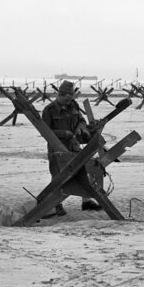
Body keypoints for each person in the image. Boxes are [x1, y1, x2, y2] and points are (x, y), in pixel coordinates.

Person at [40, 80, 102, 216]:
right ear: (60, 95)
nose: (69, 102)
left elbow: (81, 120)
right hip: (57, 149)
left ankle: (86, 201)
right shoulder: (49, 110)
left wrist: (80, 128)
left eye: (71, 99)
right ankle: (56, 205)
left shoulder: (73, 105)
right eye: (67, 99)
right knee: (58, 176)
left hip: (74, 145)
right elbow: (45, 132)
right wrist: (64, 133)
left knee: (83, 170)